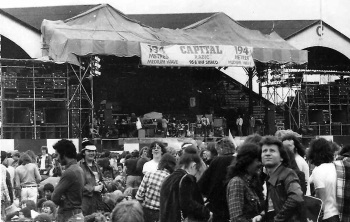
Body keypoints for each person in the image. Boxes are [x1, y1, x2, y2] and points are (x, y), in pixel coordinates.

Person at [160, 146, 211, 222]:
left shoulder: (169, 178)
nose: (196, 174)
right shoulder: (187, 178)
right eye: (197, 170)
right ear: (193, 165)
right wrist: (206, 212)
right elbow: (188, 204)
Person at [261, 136, 305, 222]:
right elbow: (273, 206)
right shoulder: (270, 177)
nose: (267, 153)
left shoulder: (287, 173)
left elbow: (296, 196)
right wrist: (262, 215)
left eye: (272, 150)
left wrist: (279, 218)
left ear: (281, 157)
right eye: (264, 151)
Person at [198, 137, 236, 222]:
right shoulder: (237, 160)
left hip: (217, 207)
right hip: (234, 205)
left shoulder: (217, 161)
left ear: (221, 149)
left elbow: (202, 184)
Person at [226, 143, 263, 222]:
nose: (261, 164)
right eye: (258, 160)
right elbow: (236, 218)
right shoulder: (237, 183)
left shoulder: (252, 183)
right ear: (248, 160)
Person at [51, 139, 85, 222]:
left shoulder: (70, 172)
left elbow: (54, 197)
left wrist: (62, 200)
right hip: (77, 214)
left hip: (69, 216)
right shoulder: (78, 169)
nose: (57, 158)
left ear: (64, 154)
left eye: (57, 155)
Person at [136, 153, 176, 222]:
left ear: (161, 163)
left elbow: (139, 196)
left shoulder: (149, 174)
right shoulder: (172, 179)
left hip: (146, 212)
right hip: (162, 214)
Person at [308, 138, 339, 222]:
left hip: (327, 215)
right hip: (339, 213)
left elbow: (321, 200)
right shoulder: (336, 167)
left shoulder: (317, 170)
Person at [79, 142, 106, 215]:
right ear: (84, 153)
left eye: (94, 151)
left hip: (97, 201)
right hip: (84, 203)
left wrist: (102, 185)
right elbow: (78, 186)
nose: (92, 153)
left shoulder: (96, 166)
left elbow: (102, 180)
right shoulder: (79, 167)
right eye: (89, 151)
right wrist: (93, 188)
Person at [1, 153, 14, 219]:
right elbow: (4, 183)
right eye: (6, 158)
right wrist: (9, 198)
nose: (7, 160)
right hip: (2, 196)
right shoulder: (3, 168)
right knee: (3, 216)